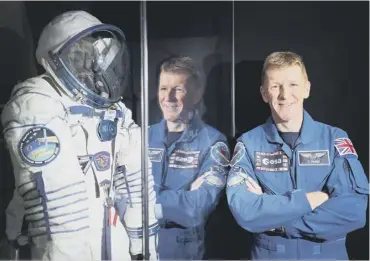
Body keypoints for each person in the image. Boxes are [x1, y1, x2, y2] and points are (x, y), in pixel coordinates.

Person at [1, 10, 158, 260]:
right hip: (58, 244)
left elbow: (136, 183)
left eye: (94, 56)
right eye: (79, 56)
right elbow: (60, 202)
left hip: (109, 235)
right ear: (56, 60)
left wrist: (144, 248)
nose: (90, 66)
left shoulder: (112, 110)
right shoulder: (35, 104)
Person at [226, 51, 369, 260]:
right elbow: (244, 211)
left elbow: (355, 211)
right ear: (264, 93)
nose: (285, 95)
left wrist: (276, 219)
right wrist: (310, 200)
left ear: (306, 89)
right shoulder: (247, 144)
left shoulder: (334, 139)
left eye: (293, 84)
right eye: (275, 86)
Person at [148, 56, 230, 259]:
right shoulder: (142, 137)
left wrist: (146, 203)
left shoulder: (213, 142)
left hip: (183, 250)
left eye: (179, 89)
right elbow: (120, 194)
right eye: (163, 88)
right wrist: (179, 199)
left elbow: (197, 208)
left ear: (197, 94)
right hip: (141, 243)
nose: (169, 97)